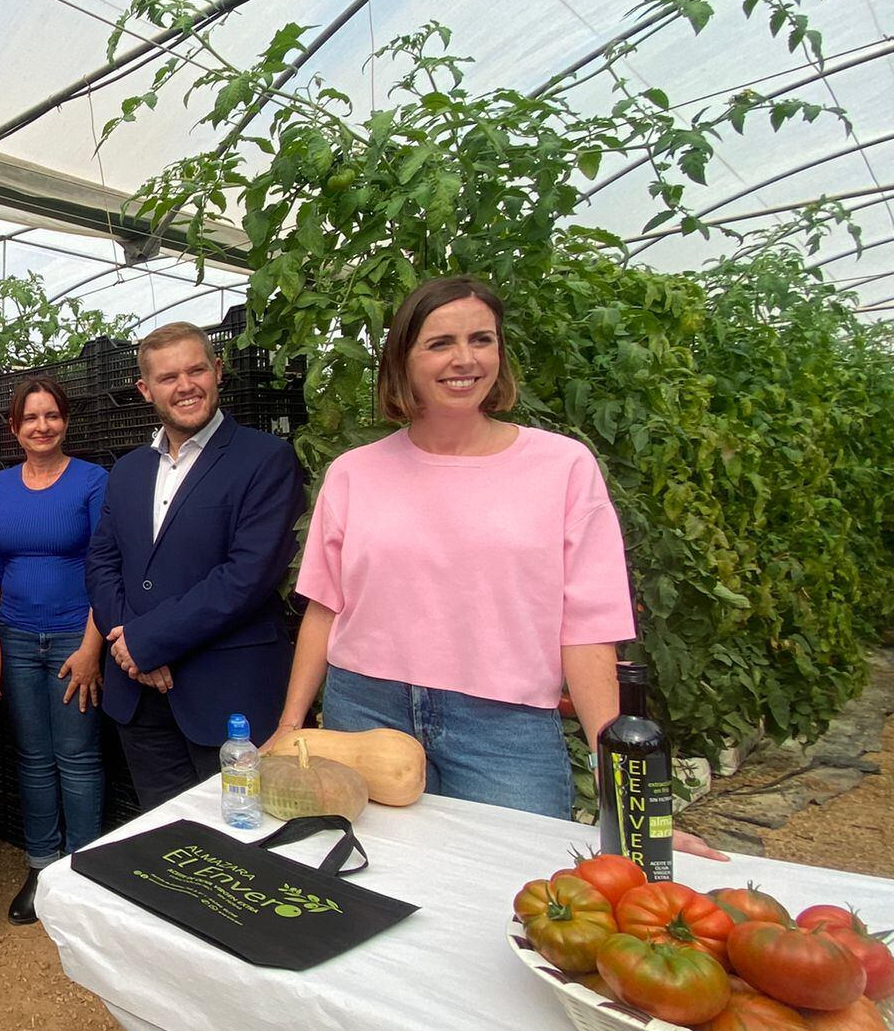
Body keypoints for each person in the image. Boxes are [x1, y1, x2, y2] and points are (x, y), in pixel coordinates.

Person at [275, 275, 728, 859]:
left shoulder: (562, 467)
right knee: (366, 882)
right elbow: (325, 609)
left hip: (502, 729)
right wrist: (291, 729)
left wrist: (623, 786)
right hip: (364, 711)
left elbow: (588, 630)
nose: (464, 359)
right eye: (439, 343)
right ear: (402, 361)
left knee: (512, 889)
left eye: (481, 339)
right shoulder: (354, 473)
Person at [86, 322, 305, 810]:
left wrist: (146, 641)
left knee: (242, 838)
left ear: (218, 372)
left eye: (196, 370)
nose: (185, 386)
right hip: (139, 697)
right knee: (163, 835)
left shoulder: (266, 460)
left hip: (228, 696)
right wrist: (128, 644)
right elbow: (102, 560)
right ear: (146, 390)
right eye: (168, 377)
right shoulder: (128, 471)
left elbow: (246, 577)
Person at [0, 376, 108, 924]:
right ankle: (42, 864)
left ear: (65, 421)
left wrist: (91, 647)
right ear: (14, 428)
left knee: (77, 757)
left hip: (73, 640)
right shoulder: (0, 489)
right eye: (30, 418)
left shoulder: (92, 481)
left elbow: (107, 569)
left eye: (51, 415)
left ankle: (84, 868)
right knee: (31, 757)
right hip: (13, 634)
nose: (41, 426)